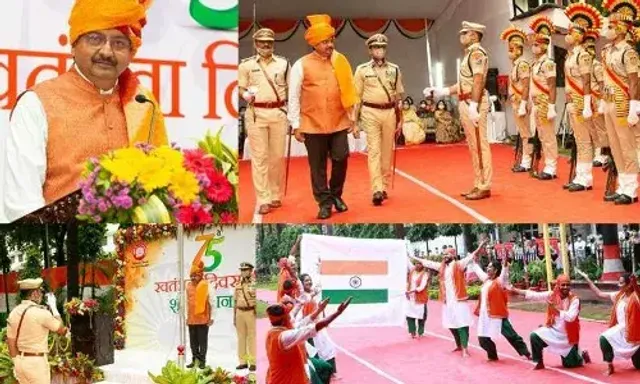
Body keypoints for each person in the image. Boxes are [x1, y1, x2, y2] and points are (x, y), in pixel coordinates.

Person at [2, 0, 168, 222]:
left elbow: (164, 182)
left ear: (131, 53)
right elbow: (21, 206)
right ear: (73, 44)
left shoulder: (142, 104)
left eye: (119, 43)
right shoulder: (37, 103)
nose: (107, 51)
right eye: (95, 39)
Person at [288, 14, 359, 220]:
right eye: (325, 42)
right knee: (317, 167)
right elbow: (293, 96)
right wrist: (295, 124)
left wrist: (351, 117)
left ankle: (336, 194)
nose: (330, 45)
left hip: (338, 120)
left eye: (331, 40)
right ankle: (324, 202)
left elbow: (349, 89)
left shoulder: (340, 61)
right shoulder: (301, 65)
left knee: (341, 158)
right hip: (312, 123)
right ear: (314, 43)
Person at [425, 21, 492, 201]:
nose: (461, 36)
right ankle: (479, 182)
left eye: (465, 32)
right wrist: (443, 91)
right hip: (466, 99)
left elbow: (478, 81)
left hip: (473, 101)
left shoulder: (477, 53)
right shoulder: (468, 54)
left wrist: (474, 105)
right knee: (473, 146)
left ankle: (484, 185)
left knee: (479, 145)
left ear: (474, 35)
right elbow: (464, 84)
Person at [239, 28, 290, 215]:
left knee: (276, 156)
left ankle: (275, 193)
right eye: (262, 42)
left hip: (278, 111)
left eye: (269, 41)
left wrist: (292, 115)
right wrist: (244, 94)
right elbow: (240, 86)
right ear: (255, 44)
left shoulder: (283, 64)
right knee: (260, 157)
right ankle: (263, 198)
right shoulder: (246, 65)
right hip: (256, 113)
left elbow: (291, 90)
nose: (266, 44)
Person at [409, 240, 488, 357]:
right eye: (444, 254)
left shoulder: (459, 264)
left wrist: (480, 246)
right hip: (447, 302)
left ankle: (465, 348)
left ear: (453, 255)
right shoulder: (441, 267)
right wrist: (412, 256)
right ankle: (458, 345)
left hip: (459, 300)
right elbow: (428, 263)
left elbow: (471, 256)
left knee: (462, 323)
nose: (445, 256)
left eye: (447, 254)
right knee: (451, 324)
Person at [353, 33, 405, 206]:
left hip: (389, 112)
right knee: (374, 150)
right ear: (370, 50)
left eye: (382, 47)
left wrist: (401, 119)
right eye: (376, 47)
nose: (379, 50)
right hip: (370, 111)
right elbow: (356, 98)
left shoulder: (395, 69)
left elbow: (398, 96)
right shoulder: (362, 70)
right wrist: (354, 122)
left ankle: (383, 185)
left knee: (386, 151)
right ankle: (376, 188)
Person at [601, 0, 640, 205]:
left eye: (611, 26)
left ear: (622, 28)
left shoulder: (629, 52)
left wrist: (635, 106)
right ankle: (623, 186)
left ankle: (631, 189)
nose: (607, 29)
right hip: (608, 102)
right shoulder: (607, 51)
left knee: (627, 146)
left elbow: (634, 81)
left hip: (623, 104)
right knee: (615, 146)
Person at [509, 275, 591, 370]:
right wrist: (515, 290)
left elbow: (571, 317)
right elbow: (534, 295)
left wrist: (556, 311)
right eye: (563, 285)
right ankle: (538, 362)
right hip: (552, 331)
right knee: (534, 336)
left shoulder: (574, 300)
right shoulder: (552, 295)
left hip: (567, 338)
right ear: (558, 285)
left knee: (571, 365)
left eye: (567, 285)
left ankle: (582, 354)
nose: (565, 287)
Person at [265, 297, 352, 384]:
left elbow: (304, 322)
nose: (290, 317)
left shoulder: (275, 331)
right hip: (286, 380)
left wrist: (319, 310)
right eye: (288, 316)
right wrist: (338, 313)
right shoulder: (285, 336)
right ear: (284, 319)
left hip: (285, 375)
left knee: (324, 368)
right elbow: (314, 327)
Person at [563, 4, 602, 192]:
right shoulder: (570, 56)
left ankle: (585, 178)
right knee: (579, 140)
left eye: (570, 32)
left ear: (579, 36)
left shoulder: (584, 56)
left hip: (581, 102)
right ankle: (580, 176)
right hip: (573, 102)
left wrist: (587, 104)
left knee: (584, 140)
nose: (567, 36)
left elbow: (587, 81)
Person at [577, 269, 640, 375]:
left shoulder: (636, 297)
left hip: (636, 333)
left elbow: (638, 294)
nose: (618, 285)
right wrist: (587, 279)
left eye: (621, 283)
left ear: (629, 285)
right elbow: (599, 294)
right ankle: (610, 366)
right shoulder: (619, 295)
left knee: (638, 366)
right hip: (621, 330)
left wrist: (635, 284)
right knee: (604, 338)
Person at [6, 278, 68, 384]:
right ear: (35, 293)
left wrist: (17, 362)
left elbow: (11, 341)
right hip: (36, 364)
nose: (42, 294)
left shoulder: (14, 312)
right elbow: (62, 330)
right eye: (41, 291)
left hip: (20, 362)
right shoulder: (41, 313)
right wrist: (54, 308)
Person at [471, 259, 531, 361]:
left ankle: (527, 353)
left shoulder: (500, 281)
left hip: (498, 314)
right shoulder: (486, 280)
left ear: (495, 270)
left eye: (490, 267)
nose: (487, 268)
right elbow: (478, 270)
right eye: (488, 267)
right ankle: (492, 355)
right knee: (482, 339)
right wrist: (474, 261)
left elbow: (504, 274)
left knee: (511, 335)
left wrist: (505, 266)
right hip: (485, 315)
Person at [528, 16, 558, 180]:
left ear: (545, 46)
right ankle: (547, 164)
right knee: (540, 136)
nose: (534, 47)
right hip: (536, 104)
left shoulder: (548, 63)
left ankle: (551, 167)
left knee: (548, 137)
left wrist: (552, 106)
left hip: (545, 103)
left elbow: (552, 85)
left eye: (537, 45)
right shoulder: (535, 64)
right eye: (533, 45)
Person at [500, 24, 532, 173]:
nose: (510, 52)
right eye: (509, 49)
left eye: (512, 49)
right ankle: (526, 159)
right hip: (516, 103)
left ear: (519, 49)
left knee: (526, 133)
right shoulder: (514, 66)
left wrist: (523, 104)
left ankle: (527, 161)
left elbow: (526, 86)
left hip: (522, 104)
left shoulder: (523, 65)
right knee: (522, 132)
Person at [297, 273, 339, 380]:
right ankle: (319, 375)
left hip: (318, 325)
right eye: (306, 280)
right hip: (310, 328)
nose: (309, 282)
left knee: (328, 348)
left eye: (310, 280)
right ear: (301, 284)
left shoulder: (312, 294)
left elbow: (319, 306)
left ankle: (332, 372)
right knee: (316, 351)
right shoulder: (302, 297)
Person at [186, 257, 216, 369]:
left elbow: (212, 302)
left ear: (200, 275)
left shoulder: (207, 285)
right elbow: (187, 303)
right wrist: (186, 317)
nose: (193, 278)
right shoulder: (188, 286)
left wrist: (212, 317)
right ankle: (195, 360)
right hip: (191, 319)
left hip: (203, 319)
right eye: (191, 276)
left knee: (202, 342)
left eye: (195, 275)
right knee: (193, 343)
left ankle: (202, 361)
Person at [234, 262, 257, 371]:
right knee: (241, 337)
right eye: (242, 270)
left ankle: (253, 362)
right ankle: (243, 362)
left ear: (250, 271)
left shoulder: (254, 284)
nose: (243, 272)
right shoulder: (238, 284)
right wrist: (234, 316)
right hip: (239, 311)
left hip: (250, 312)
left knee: (252, 338)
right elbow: (235, 301)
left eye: (245, 269)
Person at [405, 257, 431, 339]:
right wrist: (404, 252)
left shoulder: (425, 274)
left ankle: (420, 332)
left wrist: (412, 291)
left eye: (420, 263)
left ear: (423, 265)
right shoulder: (412, 270)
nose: (418, 265)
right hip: (410, 298)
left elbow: (422, 286)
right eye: (416, 263)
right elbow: (407, 261)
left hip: (420, 297)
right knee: (409, 315)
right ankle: (412, 332)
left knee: (422, 316)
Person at [277, 235, 302, 302]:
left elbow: (292, 254)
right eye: (291, 265)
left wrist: (298, 242)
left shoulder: (295, 274)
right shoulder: (285, 273)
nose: (293, 266)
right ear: (287, 266)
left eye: (294, 264)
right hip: (285, 303)